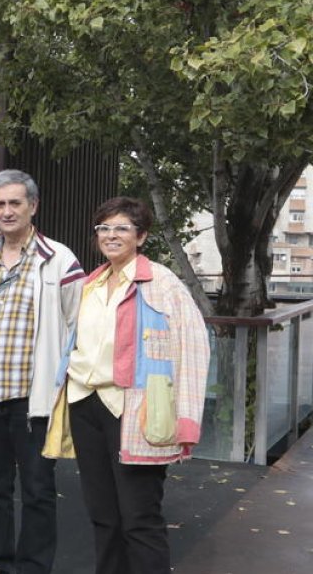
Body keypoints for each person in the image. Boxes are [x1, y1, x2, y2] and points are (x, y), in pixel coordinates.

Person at [44, 197, 210, 574]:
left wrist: (186, 417)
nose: (111, 235)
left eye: (122, 228)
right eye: (104, 228)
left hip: (134, 408)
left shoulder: (161, 283)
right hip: (85, 402)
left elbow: (194, 346)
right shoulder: (92, 282)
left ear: (141, 236)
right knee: (102, 515)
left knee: (140, 516)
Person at [0, 169, 85, 574]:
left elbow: (78, 326)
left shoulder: (59, 260)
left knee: (37, 488)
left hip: (33, 401)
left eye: (15, 203)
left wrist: (64, 386)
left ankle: (33, 566)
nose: (6, 211)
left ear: (33, 206)